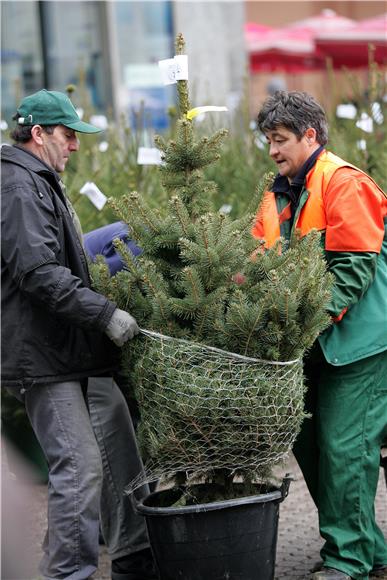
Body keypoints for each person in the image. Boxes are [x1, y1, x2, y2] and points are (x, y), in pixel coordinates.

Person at [1, 89, 157, 580]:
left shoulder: (37, 179)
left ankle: (128, 557)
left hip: (66, 348)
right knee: (80, 465)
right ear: (39, 133)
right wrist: (104, 313)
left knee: (111, 445)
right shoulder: (19, 186)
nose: (75, 146)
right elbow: (39, 272)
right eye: (68, 136)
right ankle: (67, 573)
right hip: (43, 354)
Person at [253, 90, 387, 580]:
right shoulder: (276, 193)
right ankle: (370, 552)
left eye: (281, 139)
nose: (272, 150)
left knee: (344, 450)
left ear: (311, 134)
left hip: (358, 345)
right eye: (268, 140)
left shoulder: (344, 182)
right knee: (311, 448)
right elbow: (253, 260)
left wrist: (303, 320)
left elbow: (353, 270)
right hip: (308, 346)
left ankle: (346, 560)